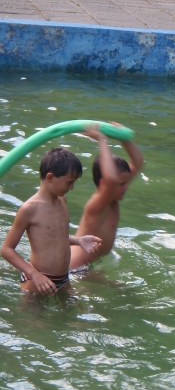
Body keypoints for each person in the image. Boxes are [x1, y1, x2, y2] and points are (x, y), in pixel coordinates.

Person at [1, 147, 101, 294]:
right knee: (33, 310)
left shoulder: (62, 201)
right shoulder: (30, 209)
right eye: (69, 182)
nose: (72, 188)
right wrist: (34, 274)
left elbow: (55, 237)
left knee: (73, 308)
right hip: (38, 280)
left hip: (64, 278)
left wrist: (78, 240)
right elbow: (6, 249)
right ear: (50, 178)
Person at [69, 124, 143, 270]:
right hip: (74, 268)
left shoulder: (113, 195)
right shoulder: (96, 205)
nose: (127, 187)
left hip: (89, 265)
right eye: (122, 184)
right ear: (103, 183)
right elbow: (111, 179)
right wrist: (102, 140)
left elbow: (138, 163)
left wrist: (124, 139)